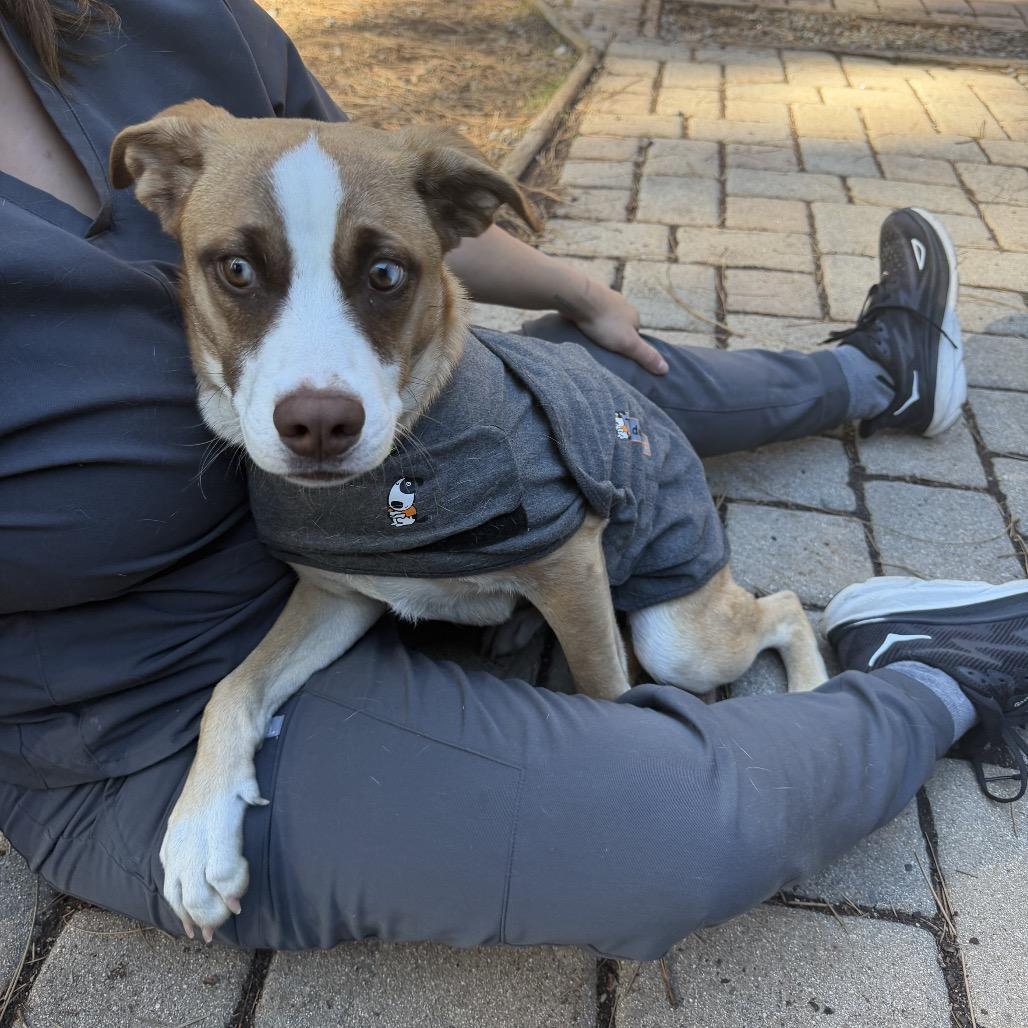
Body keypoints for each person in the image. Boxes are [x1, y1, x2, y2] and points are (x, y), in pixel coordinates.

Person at [1, 0, 1025, 956]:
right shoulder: (207, 191)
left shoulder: (167, 19)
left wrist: (579, 291)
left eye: (382, 278)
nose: (316, 389)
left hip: (401, 503)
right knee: (668, 823)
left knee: (600, 382)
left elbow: (386, 191)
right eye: (237, 272)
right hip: (140, 695)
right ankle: (925, 678)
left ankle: (869, 399)